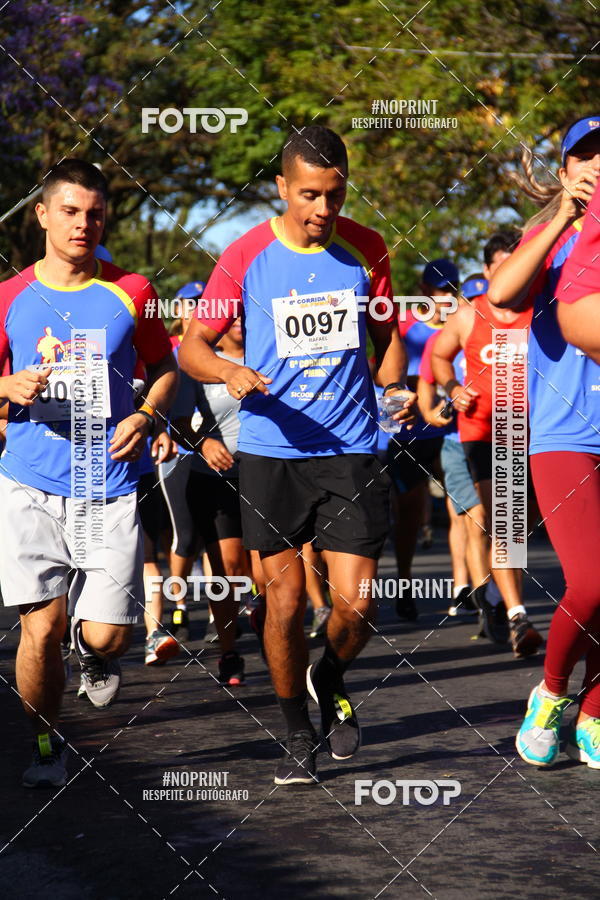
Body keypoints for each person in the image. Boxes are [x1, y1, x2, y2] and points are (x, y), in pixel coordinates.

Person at [179, 125, 415, 785]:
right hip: (271, 451)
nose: (321, 211)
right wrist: (228, 372)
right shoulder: (245, 254)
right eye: (309, 195)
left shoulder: (367, 248)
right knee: (282, 603)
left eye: (334, 197)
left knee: (358, 604)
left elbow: (388, 333)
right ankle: (294, 728)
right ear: (282, 187)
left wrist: (393, 385)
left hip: (351, 447)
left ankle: (327, 672)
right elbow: (191, 347)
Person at [0, 159, 178, 787]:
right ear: (42, 215)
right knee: (38, 628)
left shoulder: (131, 291)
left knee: (108, 636)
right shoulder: (9, 297)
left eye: (95, 213)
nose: (83, 224)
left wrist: (148, 415)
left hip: (107, 482)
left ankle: (93, 653)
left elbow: (165, 366)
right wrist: (5, 384)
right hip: (28, 480)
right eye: (70, 211)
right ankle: (45, 747)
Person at [488, 117, 600, 767]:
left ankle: (593, 708)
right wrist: (561, 218)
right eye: (582, 158)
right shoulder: (549, 239)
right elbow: (502, 295)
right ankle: (553, 693)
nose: (595, 167)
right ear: (564, 171)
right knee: (589, 582)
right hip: (563, 434)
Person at [431, 231, 543, 658]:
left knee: (522, 521)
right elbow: (440, 357)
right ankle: (516, 613)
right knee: (504, 521)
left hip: (538, 431)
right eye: (503, 265)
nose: (514, 272)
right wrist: (452, 387)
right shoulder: (468, 314)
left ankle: (497, 597)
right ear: (488, 271)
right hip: (483, 431)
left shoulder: (542, 310)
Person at [170, 316, 256, 686]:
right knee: (228, 567)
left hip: (266, 476)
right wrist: (203, 442)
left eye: (244, 312)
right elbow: (177, 423)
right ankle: (229, 651)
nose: (237, 320)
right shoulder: (196, 360)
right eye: (230, 313)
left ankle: (274, 628)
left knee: (271, 573)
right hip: (214, 480)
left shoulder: (270, 355)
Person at [389, 259, 459, 620]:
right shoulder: (405, 325)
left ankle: (472, 589)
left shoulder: (466, 322)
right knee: (411, 512)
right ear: (424, 288)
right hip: (413, 433)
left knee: (465, 509)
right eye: (438, 288)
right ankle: (403, 582)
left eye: (450, 289)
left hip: (457, 430)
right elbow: (384, 371)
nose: (444, 295)